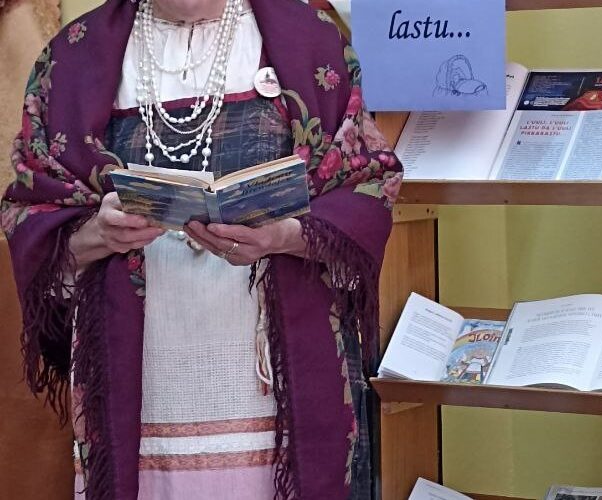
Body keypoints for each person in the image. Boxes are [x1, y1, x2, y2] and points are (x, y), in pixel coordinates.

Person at [0, 0, 402, 498]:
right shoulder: (72, 57)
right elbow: (29, 216)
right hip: (139, 382)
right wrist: (95, 236)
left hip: (275, 385)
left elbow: (369, 188)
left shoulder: (312, 41)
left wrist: (283, 236)